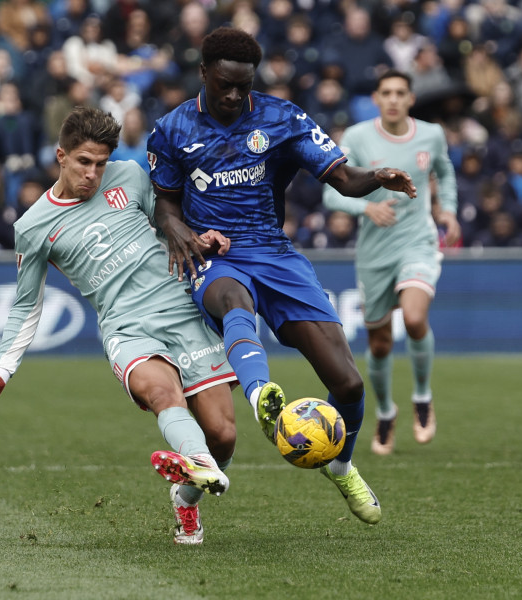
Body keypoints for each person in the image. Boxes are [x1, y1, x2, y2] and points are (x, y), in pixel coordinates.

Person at [148, 27, 417, 525]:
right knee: (233, 301)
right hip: (215, 254)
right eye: (224, 85)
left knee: (350, 385)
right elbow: (163, 202)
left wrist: (375, 177)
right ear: (203, 72)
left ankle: (340, 465)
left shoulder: (282, 118)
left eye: (242, 86)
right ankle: (261, 397)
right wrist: (178, 230)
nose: (233, 96)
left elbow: (341, 177)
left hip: (275, 253)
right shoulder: (172, 129)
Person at [0, 106, 238, 546]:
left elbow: (168, 219)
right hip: (126, 328)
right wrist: (1, 370)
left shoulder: (129, 175)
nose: (92, 173)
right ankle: (199, 461)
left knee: (224, 434)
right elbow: (25, 305)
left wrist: (198, 236)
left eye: (100, 163)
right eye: (83, 162)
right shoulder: (32, 227)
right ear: (61, 156)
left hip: (181, 311)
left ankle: (187, 495)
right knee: (164, 393)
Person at [323, 70, 460, 456]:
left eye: (401, 92)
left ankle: (422, 397)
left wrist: (447, 209)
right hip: (374, 253)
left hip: (418, 240)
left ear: (411, 99)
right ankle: (385, 412)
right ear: (376, 98)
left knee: (415, 319)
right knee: (379, 343)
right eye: (387, 93)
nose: (395, 99)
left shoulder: (431, 134)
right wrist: (366, 206)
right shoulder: (357, 137)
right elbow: (332, 195)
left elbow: (445, 173)